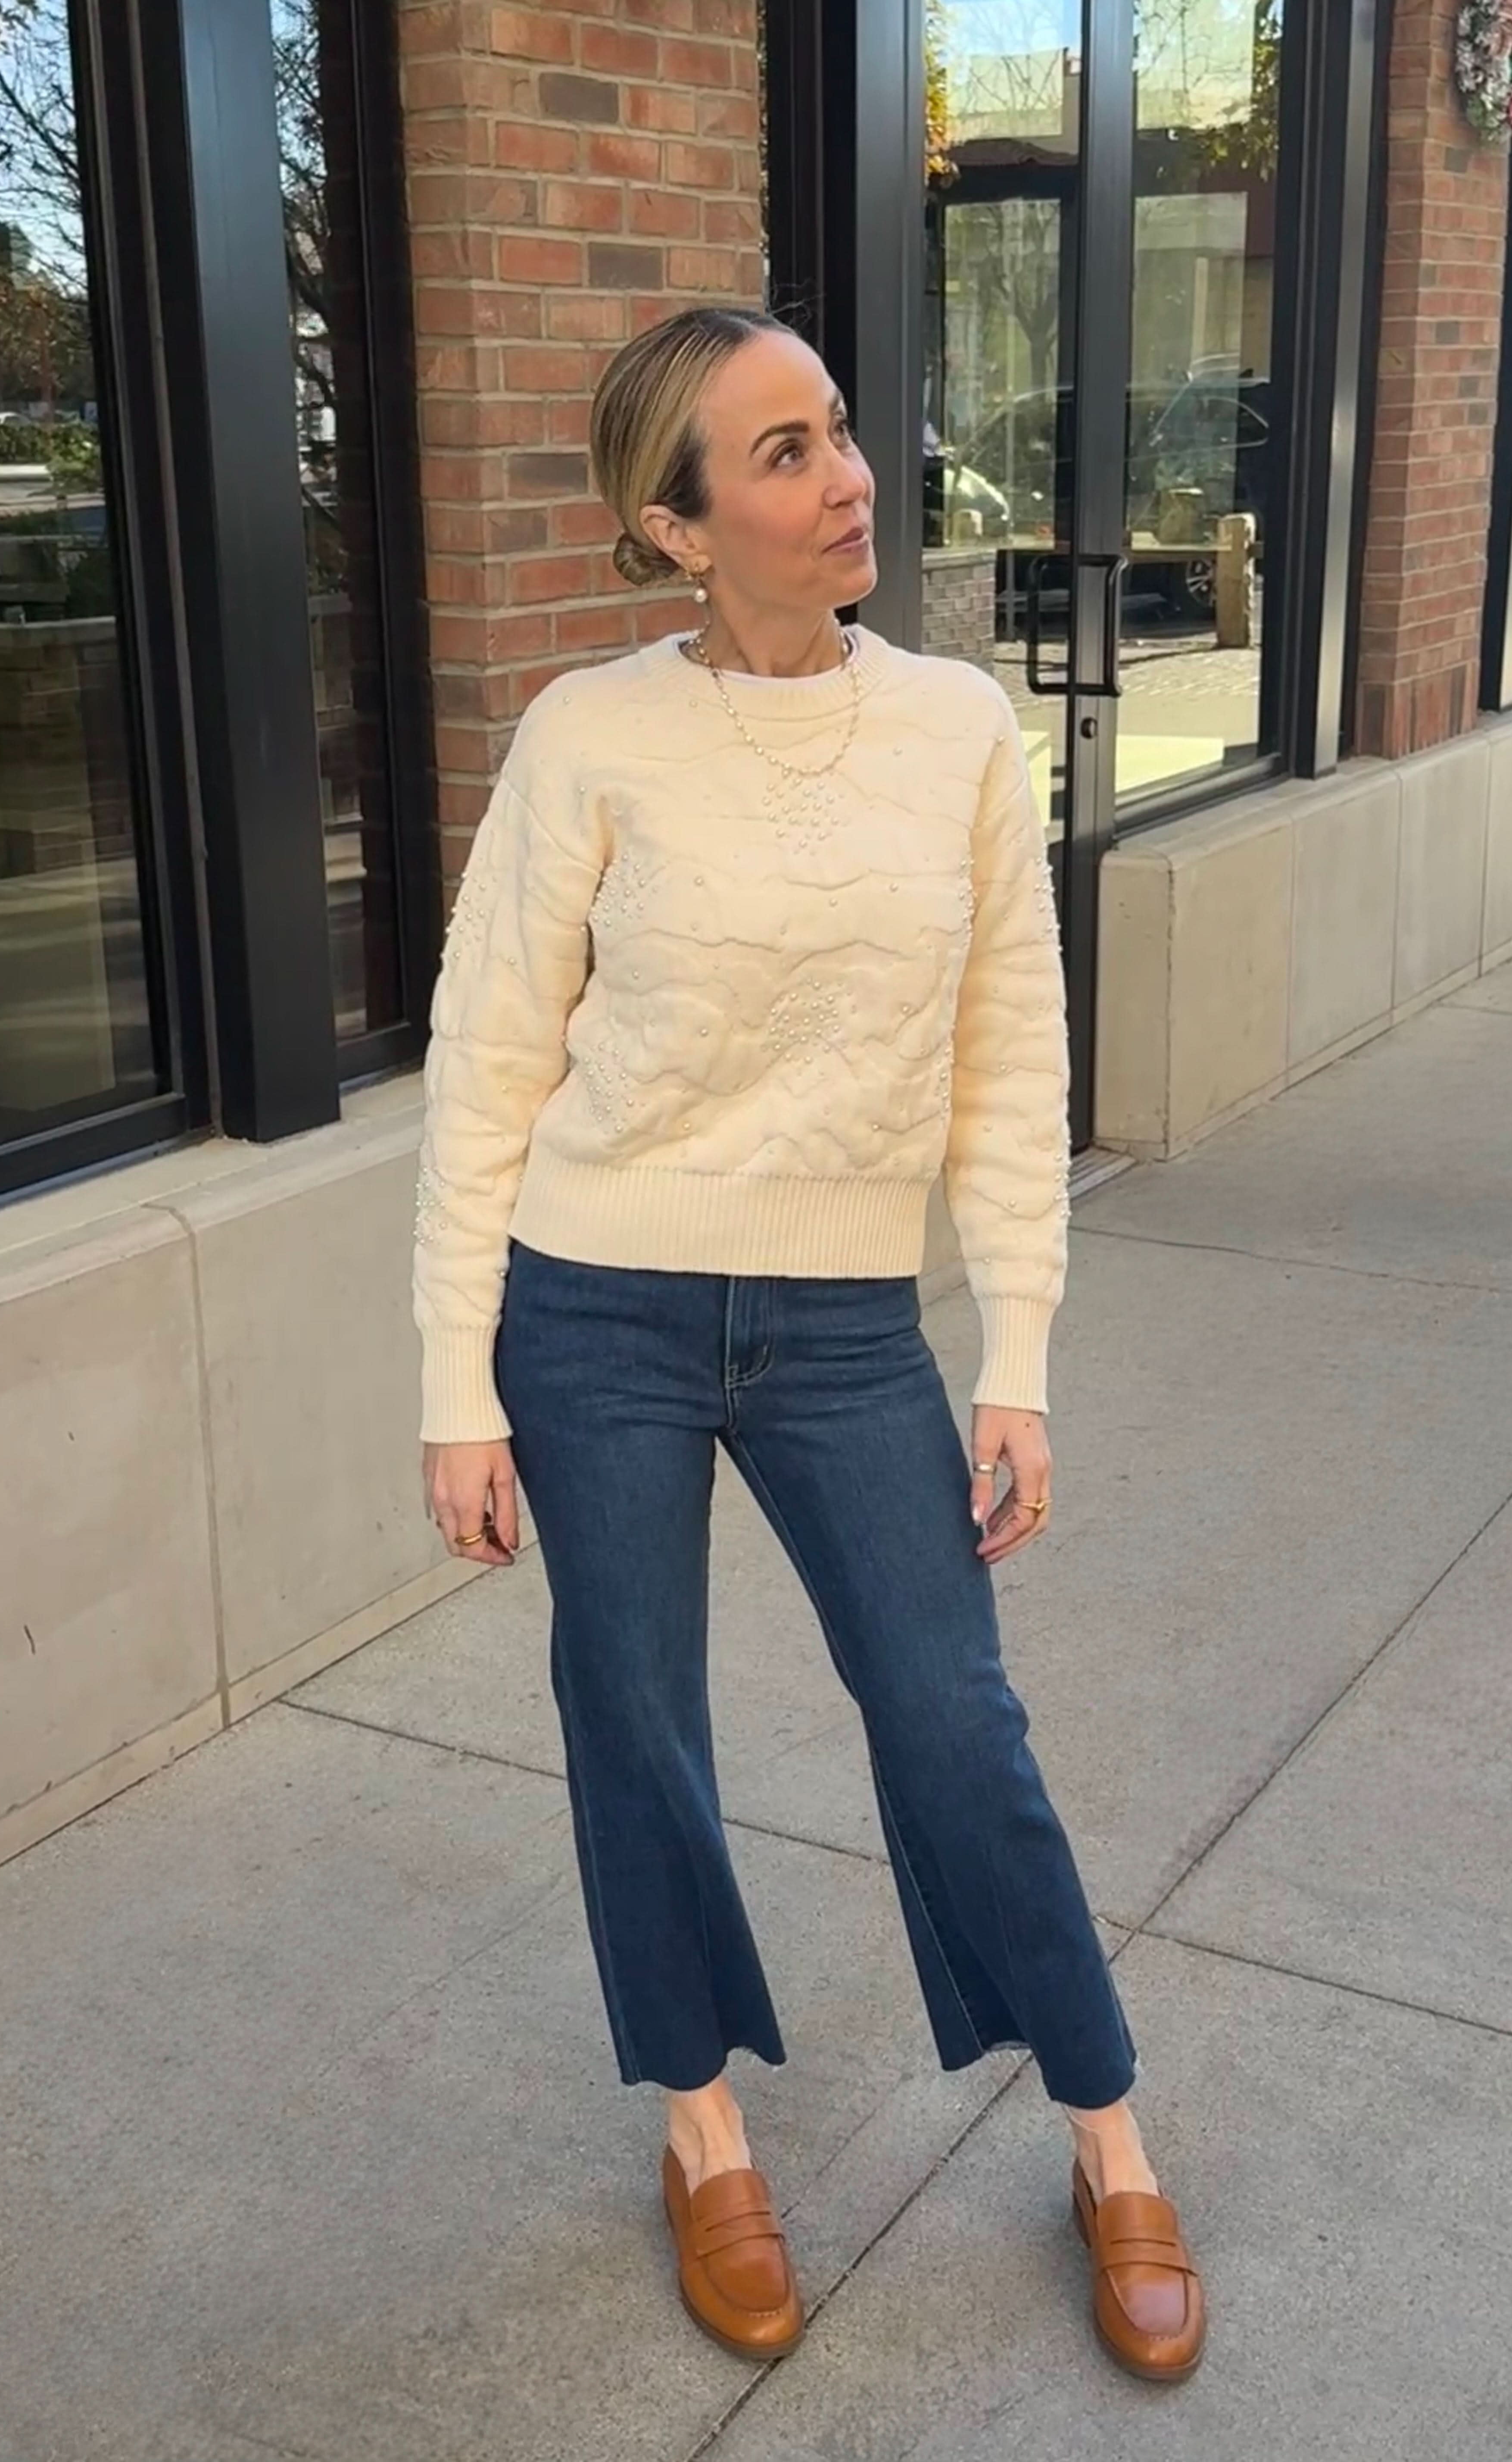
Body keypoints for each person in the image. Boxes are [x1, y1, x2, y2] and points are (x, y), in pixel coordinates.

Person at [413, 305, 1205, 2384]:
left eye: (839, 431)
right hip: (594, 1312)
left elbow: (1005, 1050)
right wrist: (454, 1383)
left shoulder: (954, 725)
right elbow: (485, 1071)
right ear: (675, 529)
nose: (847, 476)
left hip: (853, 1323)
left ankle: (1107, 2132)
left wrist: (1017, 1346)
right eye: (779, 455)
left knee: (956, 1724)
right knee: (638, 1724)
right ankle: (702, 2127)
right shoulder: (588, 738)